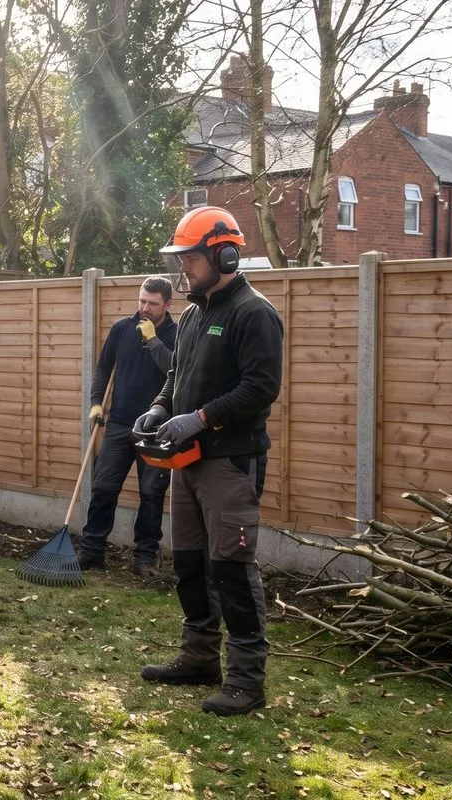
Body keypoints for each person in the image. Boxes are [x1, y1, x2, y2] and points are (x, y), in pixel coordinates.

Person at [133, 206, 285, 717]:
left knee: (231, 568)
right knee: (191, 564)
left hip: (230, 461)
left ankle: (246, 680)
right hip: (189, 460)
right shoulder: (196, 314)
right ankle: (199, 657)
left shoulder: (254, 313)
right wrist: (160, 408)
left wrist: (200, 418)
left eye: (191, 258)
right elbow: (175, 375)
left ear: (224, 255)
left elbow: (261, 388)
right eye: (180, 258)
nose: (183, 268)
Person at [80, 277, 178, 577]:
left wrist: (153, 340)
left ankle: (145, 559)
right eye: (142, 301)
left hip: (156, 430)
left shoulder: (178, 334)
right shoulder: (122, 329)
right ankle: (92, 550)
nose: (145, 308)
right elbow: (103, 368)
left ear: (168, 304)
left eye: (153, 304)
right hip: (120, 423)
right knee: (103, 487)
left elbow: (177, 371)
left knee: (151, 494)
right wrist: (96, 403)